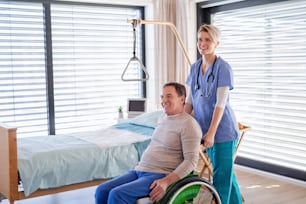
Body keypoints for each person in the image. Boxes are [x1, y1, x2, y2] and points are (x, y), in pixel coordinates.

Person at [95, 82, 202, 204]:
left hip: (160, 174)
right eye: (162, 97)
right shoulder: (162, 118)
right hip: (140, 170)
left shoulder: (189, 125)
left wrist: (166, 181)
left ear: (182, 99)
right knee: (102, 190)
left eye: (169, 96)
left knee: (117, 195)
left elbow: (191, 161)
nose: (164, 101)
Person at [184, 24, 242, 204]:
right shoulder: (194, 68)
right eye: (200, 39)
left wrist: (211, 132)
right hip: (203, 128)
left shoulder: (223, 68)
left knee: (220, 178)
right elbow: (190, 100)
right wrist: (181, 123)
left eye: (207, 40)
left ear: (217, 43)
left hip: (222, 131)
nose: (202, 43)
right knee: (225, 173)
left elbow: (220, 103)